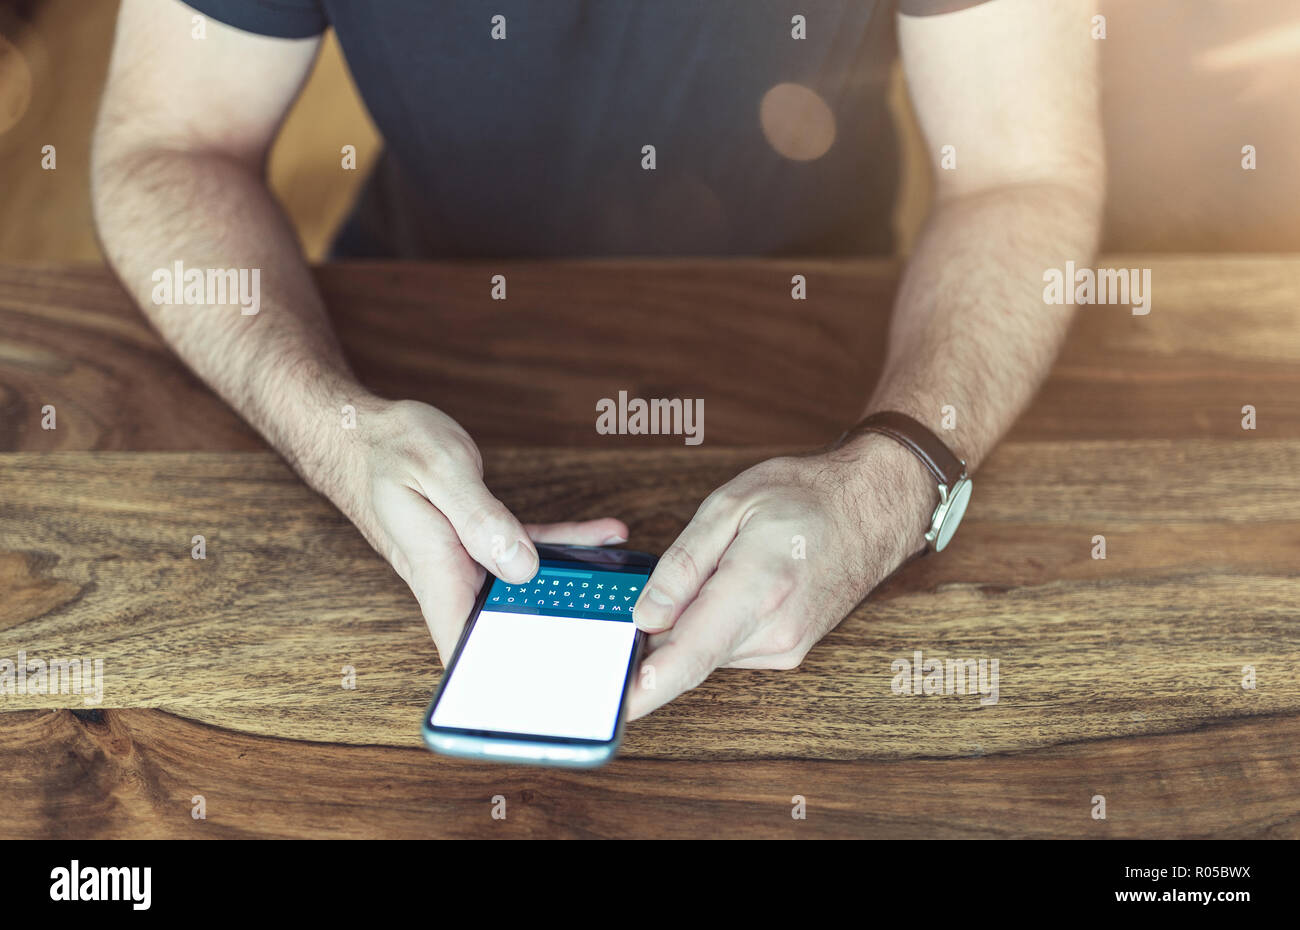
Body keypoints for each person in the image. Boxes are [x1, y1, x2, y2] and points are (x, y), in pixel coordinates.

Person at [91, 0, 1103, 719]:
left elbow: (1024, 172)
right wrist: (329, 428)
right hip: (396, 363)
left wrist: (892, 484)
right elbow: (169, 142)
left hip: (837, 369)